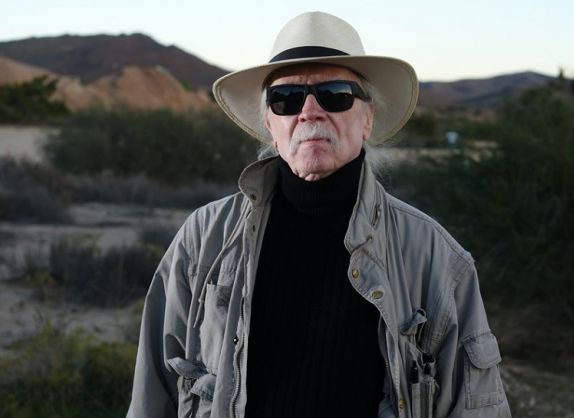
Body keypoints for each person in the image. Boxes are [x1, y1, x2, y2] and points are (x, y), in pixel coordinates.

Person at [127, 11, 511, 418]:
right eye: (286, 98)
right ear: (270, 124)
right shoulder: (204, 237)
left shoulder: (434, 256)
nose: (309, 111)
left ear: (367, 118)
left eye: (335, 94)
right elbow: (154, 391)